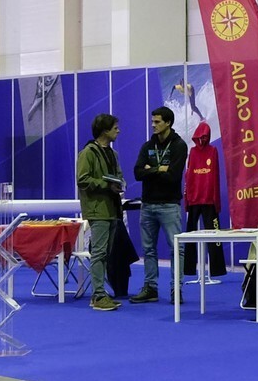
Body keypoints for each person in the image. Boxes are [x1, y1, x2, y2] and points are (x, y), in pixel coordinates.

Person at [132, 107, 186, 303]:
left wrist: (150, 170)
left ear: (168, 123)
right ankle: (150, 288)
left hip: (169, 205)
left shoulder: (179, 145)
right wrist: (159, 169)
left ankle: (176, 289)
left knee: (176, 248)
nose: (153, 125)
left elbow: (173, 176)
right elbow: (138, 173)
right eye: (152, 121)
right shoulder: (147, 146)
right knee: (148, 249)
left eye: (157, 122)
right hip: (147, 205)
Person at [77, 113, 125, 312]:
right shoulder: (88, 153)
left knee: (105, 253)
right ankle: (98, 295)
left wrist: (119, 184)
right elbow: (82, 179)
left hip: (112, 208)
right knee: (99, 253)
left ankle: (99, 293)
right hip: (97, 210)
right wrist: (106, 185)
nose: (118, 131)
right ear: (105, 130)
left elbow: (119, 175)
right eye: (115, 128)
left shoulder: (113, 154)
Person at [182, 121, 225, 279]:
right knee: (190, 236)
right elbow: (188, 177)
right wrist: (187, 200)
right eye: (201, 137)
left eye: (205, 137)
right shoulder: (192, 152)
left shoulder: (213, 151)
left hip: (209, 200)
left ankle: (217, 270)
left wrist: (216, 201)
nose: (202, 139)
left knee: (215, 237)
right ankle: (189, 269)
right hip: (194, 200)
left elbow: (215, 176)